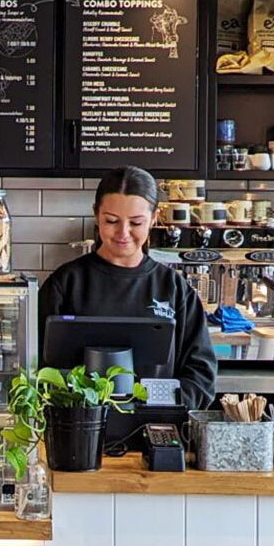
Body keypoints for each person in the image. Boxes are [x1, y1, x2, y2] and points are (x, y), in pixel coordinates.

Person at [37, 165, 216, 410]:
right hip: (78, 432)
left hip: (154, 432)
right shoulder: (65, 284)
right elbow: (36, 368)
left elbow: (201, 376)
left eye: (136, 223)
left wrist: (160, 405)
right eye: (111, 221)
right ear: (96, 215)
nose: (123, 233)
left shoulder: (174, 289)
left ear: (154, 219)